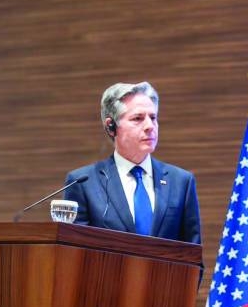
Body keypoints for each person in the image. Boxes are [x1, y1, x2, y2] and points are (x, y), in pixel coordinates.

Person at [64, 81, 201, 244]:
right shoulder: (84, 183)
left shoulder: (181, 182)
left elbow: (193, 256)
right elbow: (74, 253)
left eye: (153, 117)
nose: (150, 126)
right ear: (111, 127)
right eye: (138, 118)